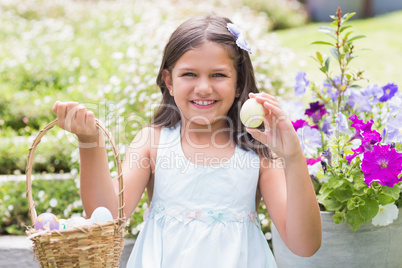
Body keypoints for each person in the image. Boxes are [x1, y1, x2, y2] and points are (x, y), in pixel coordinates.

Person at [52, 13, 321, 267]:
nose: (203, 87)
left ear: (239, 83)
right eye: (189, 74)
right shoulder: (152, 142)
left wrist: (293, 157)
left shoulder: (257, 152)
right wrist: (89, 142)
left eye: (218, 75)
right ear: (169, 81)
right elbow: (106, 218)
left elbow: (305, 245)